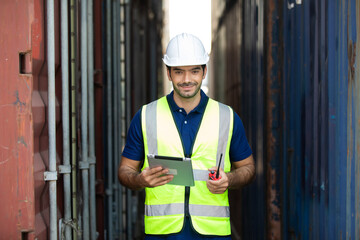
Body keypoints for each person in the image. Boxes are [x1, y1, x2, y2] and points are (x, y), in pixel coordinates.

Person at [118, 33, 255, 239]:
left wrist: (230, 179)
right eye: (179, 72)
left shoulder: (227, 117)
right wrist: (139, 180)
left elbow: (248, 168)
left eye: (194, 71)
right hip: (162, 234)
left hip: (213, 234)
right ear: (169, 73)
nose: (187, 79)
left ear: (204, 72)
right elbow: (125, 170)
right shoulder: (146, 116)